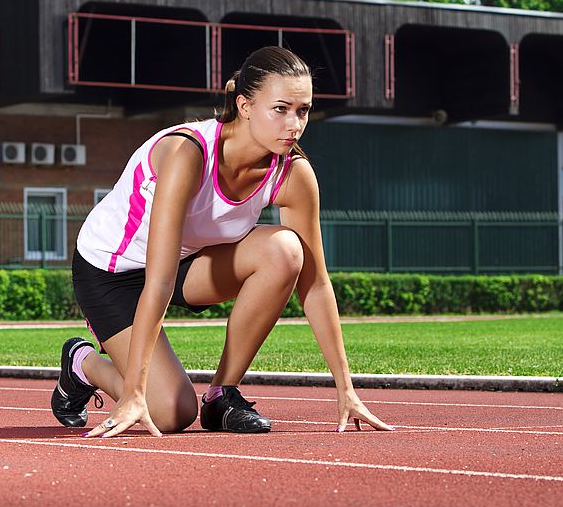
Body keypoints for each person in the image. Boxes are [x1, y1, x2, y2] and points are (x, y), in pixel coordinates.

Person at [51, 46, 394, 438]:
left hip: (188, 260)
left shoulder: (293, 174)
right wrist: (134, 392)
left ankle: (220, 395)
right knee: (169, 413)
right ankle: (83, 365)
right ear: (245, 106)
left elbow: (314, 284)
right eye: (280, 109)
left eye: (303, 110)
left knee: (285, 250)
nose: (294, 124)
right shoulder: (188, 153)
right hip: (111, 272)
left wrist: (346, 389)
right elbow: (158, 282)